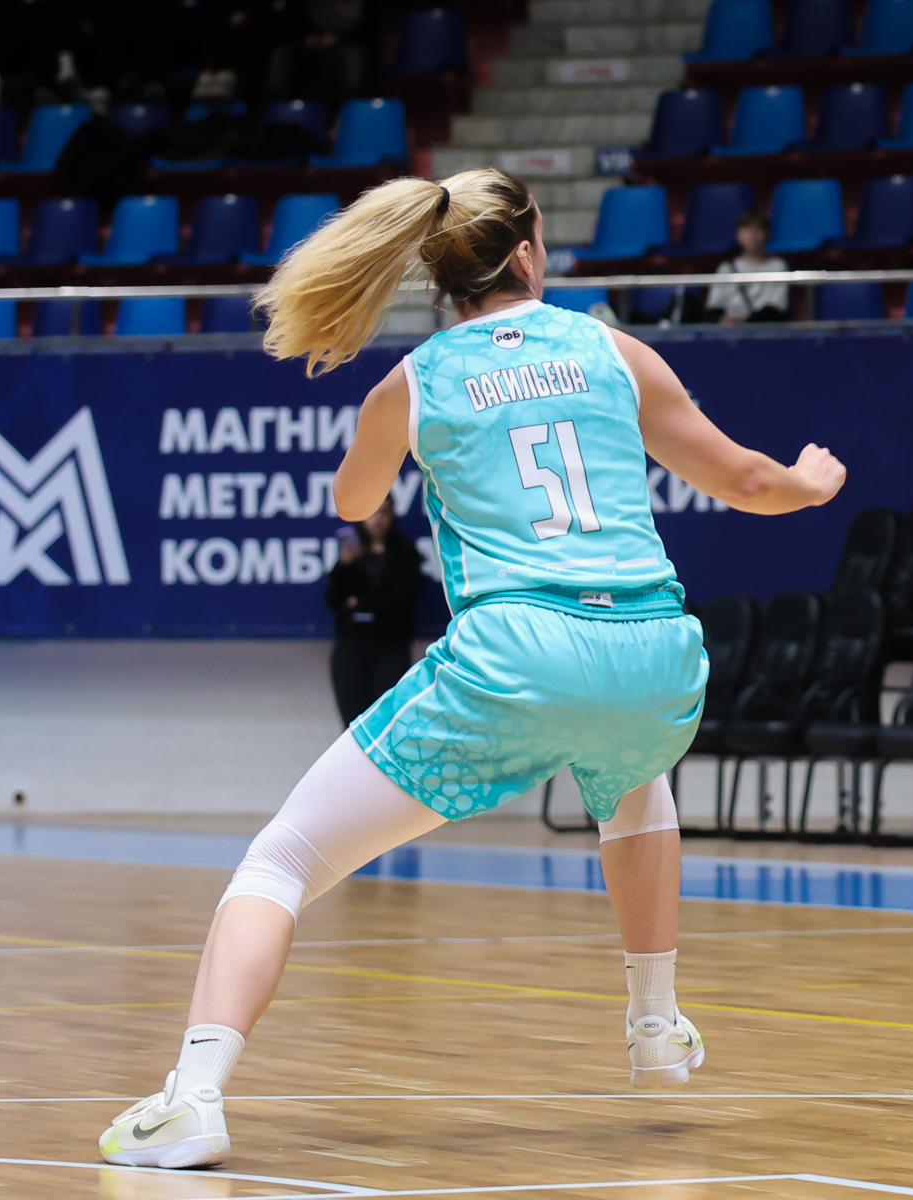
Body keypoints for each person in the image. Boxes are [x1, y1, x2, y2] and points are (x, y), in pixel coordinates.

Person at [97, 168, 847, 1170]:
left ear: (442, 272)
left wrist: (395, 442)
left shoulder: (415, 382)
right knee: (632, 767)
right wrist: (808, 482)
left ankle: (192, 1098)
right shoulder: (612, 349)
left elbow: (353, 502)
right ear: (530, 253)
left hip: (518, 654)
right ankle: (654, 1023)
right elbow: (746, 480)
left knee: (281, 863)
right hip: (657, 651)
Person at [324, 495, 423, 727]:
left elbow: (401, 601)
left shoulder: (405, 554)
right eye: (372, 513)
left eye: (384, 512)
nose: (377, 520)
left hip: (390, 645)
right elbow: (333, 600)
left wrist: (359, 603)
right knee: (353, 720)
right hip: (351, 644)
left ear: (392, 515)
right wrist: (343, 566)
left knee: (387, 718)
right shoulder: (351, 553)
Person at [705, 210, 789, 324]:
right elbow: (714, 306)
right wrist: (724, 320)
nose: (752, 236)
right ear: (738, 235)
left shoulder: (778, 266)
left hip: (765, 328)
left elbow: (777, 307)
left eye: (758, 229)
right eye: (747, 230)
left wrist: (746, 322)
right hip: (730, 330)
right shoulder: (726, 268)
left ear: (767, 234)